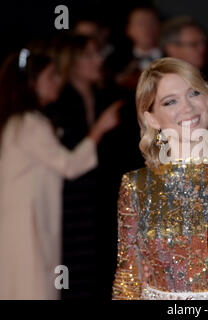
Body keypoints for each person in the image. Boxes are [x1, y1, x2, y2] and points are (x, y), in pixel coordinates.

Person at [0, 49, 121, 300]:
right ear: (32, 83)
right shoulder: (29, 122)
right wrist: (98, 129)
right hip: (28, 221)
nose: (58, 81)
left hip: (24, 217)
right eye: (51, 76)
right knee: (32, 284)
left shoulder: (20, 121)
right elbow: (70, 165)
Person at [112, 57, 208, 300]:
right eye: (170, 101)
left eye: (194, 93)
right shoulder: (136, 185)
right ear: (152, 118)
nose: (187, 108)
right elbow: (128, 276)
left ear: (207, 98)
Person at [45, 34, 124, 299]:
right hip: (71, 207)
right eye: (89, 56)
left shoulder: (109, 96)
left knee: (105, 274)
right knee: (73, 278)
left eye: (98, 53)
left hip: (105, 204)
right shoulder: (57, 106)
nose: (98, 60)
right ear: (71, 62)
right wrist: (99, 129)